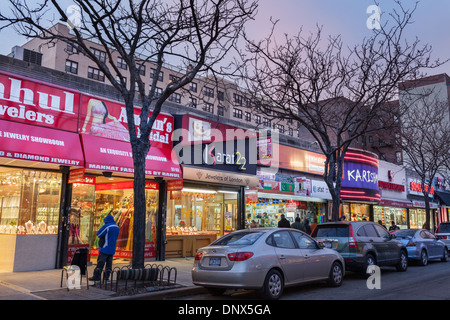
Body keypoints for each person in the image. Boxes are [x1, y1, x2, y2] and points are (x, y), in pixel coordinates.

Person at [89, 214, 120, 281]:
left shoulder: (107, 226)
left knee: (100, 263)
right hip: (112, 248)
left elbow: (99, 234)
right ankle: (106, 277)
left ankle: (96, 276)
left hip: (105, 248)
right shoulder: (117, 227)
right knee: (109, 264)